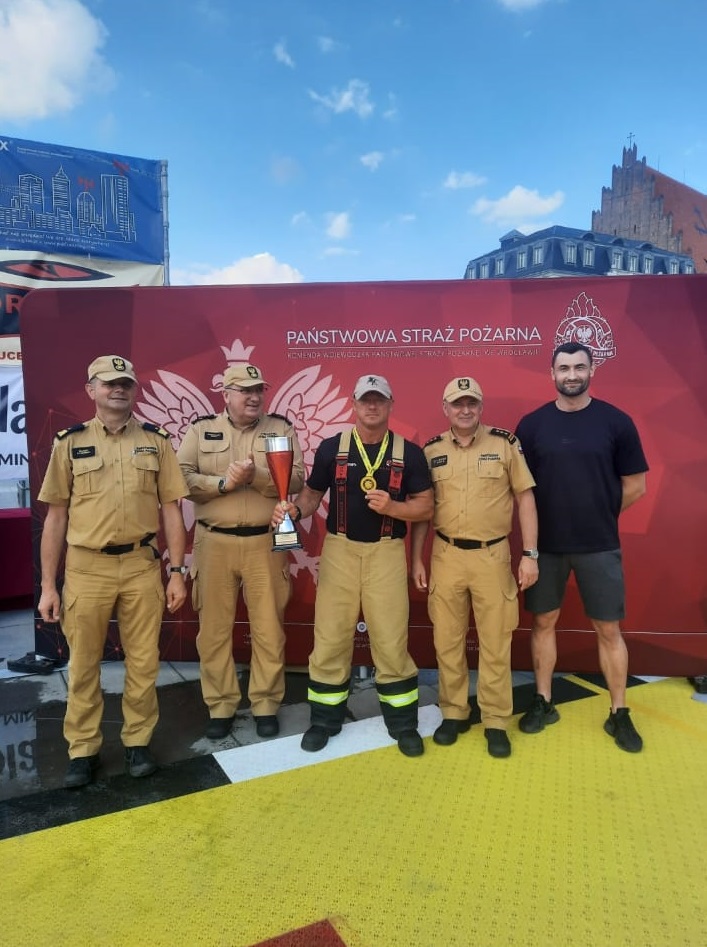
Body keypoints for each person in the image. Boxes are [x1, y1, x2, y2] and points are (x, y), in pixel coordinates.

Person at [37, 355, 188, 789]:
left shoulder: (156, 441)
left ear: (134, 389)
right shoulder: (69, 443)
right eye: (109, 383)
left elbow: (172, 510)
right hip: (87, 568)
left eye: (125, 382)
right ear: (92, 390)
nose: (118, 389)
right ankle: (83, 750)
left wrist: (177, 571)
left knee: (144, 661)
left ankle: (137, 742)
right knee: (84, 664)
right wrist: (48, 585)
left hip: (141, 566)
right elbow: (55, 518)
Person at [272, 374, 434, 757]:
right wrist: (294, 511)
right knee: (330, 637)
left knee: (391, 640)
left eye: (379, 399)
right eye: (365, 400)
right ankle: (324, 721)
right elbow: (312, 495)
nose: (372, 406)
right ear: (354, 403)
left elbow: (426, 507)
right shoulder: (332, 448)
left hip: (386, 552)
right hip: (340, 551)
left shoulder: (410, 453)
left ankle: (403, 724)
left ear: (391, 404)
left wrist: (393, 508)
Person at [515, 341, 648, 753]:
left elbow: (636, 485)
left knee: (608, 629)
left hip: (598, 545)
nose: (571, 375)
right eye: (564, 368)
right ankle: (543, 701)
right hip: (546, 546)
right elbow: (521, 490)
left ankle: (618, 712)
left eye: (579, 367)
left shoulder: (616, 422)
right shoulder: (532, 426)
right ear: (552, 374)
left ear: (592, 371)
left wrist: (600, 515)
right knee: (543, 622)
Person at [411, 377, 539, 759]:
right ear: (445, 408)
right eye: (457, 403)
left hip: (491, 556)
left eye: (471, 403)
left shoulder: (504, 444)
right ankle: (454, 712)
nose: (464, 410)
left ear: (481, 407)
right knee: (447, 641)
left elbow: (525, 498)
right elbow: (423, 509)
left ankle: (495, 719)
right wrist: (416, 558)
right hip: (446, 555)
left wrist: (530, 554)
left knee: (495, 642)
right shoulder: (431, 450)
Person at [177, 362, 305, 741]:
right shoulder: (201, 430)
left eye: (258, 390)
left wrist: (257, 477)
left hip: (266, 541)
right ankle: (220, 705)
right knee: (213, 632)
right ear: (226, 394)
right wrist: (224, 483)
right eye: (245, 390)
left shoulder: (280, 429)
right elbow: (180, 478)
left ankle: (266, 704)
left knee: (268, 629)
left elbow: (297, 479)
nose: (254, 397)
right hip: (213, 543)